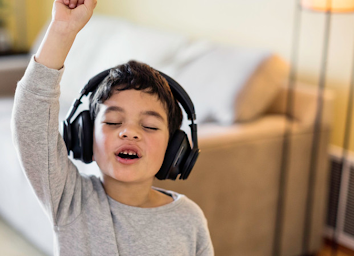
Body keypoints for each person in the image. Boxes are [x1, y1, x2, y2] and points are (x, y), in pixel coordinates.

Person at [11, 0, 214, 255]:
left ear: (175, 149)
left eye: (150, 126)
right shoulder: (71, 200)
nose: (129, 132)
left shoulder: (189, 219)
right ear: (85, 137)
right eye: (113, 122)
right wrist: (62, 30)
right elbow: (31, 123)